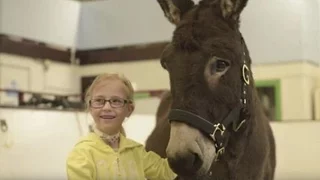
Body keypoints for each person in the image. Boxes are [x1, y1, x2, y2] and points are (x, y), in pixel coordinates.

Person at [66, 73, 177, 180]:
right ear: (90, 107)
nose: (107, 107)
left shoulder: (137, 152)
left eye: (116, 101)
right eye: (99, 101)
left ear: (129, 109)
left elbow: (167, 173)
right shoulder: (81, 154)